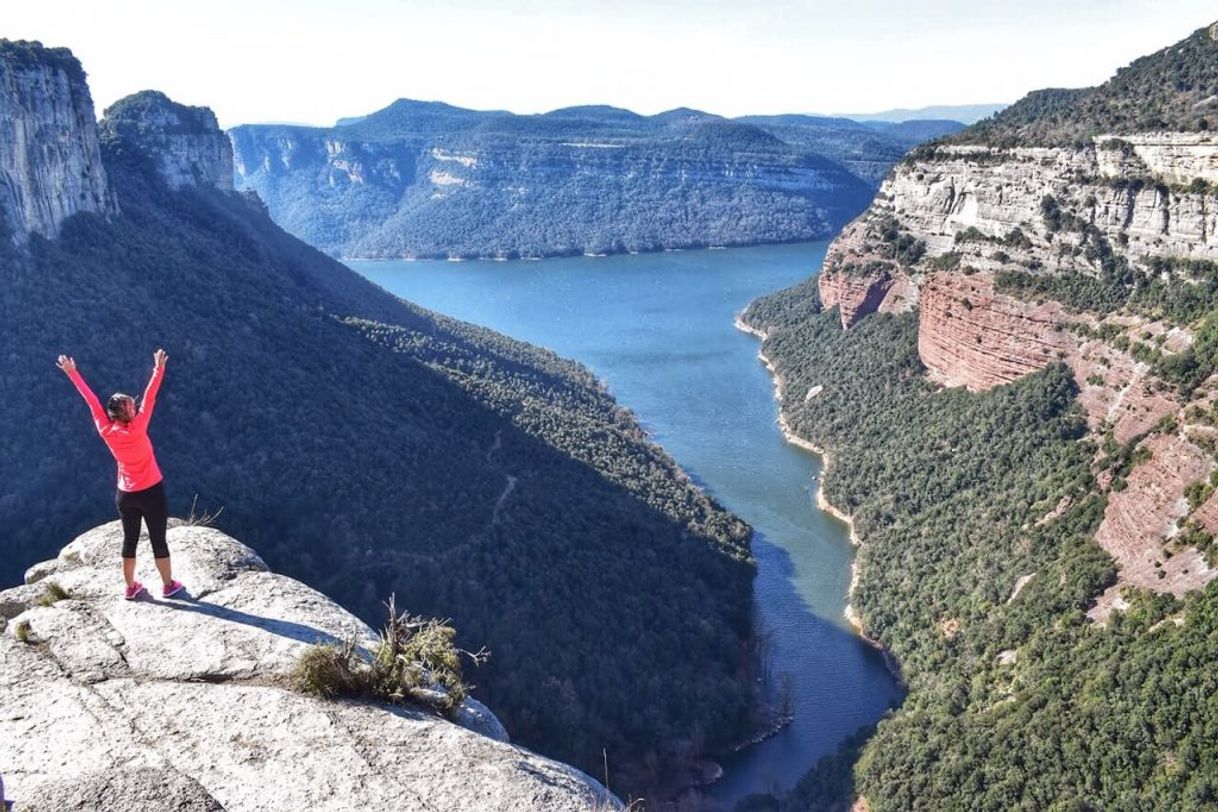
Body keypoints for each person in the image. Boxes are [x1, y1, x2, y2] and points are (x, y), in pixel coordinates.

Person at [57, 349, 184, 600]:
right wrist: (159, 369)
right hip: (152, 491)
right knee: (159, 540)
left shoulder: (106, 430)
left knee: (130, 542)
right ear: (129, 413)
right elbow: (151, 395)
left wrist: (73, 374)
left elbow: (91, 401)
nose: (135, 405)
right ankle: (168, 585)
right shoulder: (138, 426)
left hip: (125, 494)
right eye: (131, 405)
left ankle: (130, 587)